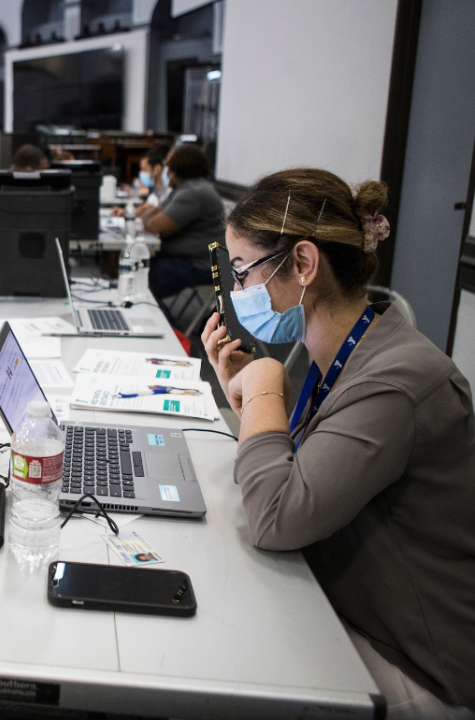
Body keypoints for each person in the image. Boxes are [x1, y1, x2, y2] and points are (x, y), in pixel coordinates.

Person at [202, 168, 475, 719]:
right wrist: (253, 406)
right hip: (349, 605)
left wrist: (263, 390)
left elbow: (276, 517)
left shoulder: (397, 380)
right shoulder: (352, 352)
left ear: (303, 264)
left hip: (418, 664)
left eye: (242, 273)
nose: (236, 293)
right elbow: (303, 475)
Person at [142, 144, 225, 321]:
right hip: (191, 260)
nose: (166, 170)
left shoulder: (193, 193)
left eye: (168, 165)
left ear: (177, 168)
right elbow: (152, 217)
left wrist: (149, 219)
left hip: (201, 265)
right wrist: (149, 218)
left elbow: (156, 226)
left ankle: (169, 334)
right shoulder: (184, 189)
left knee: (143, 277)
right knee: (141, 266)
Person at [134, 144, 171, 213]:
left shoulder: (169, 191)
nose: (141, 173)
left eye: (144, 169)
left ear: (157, 169)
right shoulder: (157, 189)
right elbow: (146, 208)